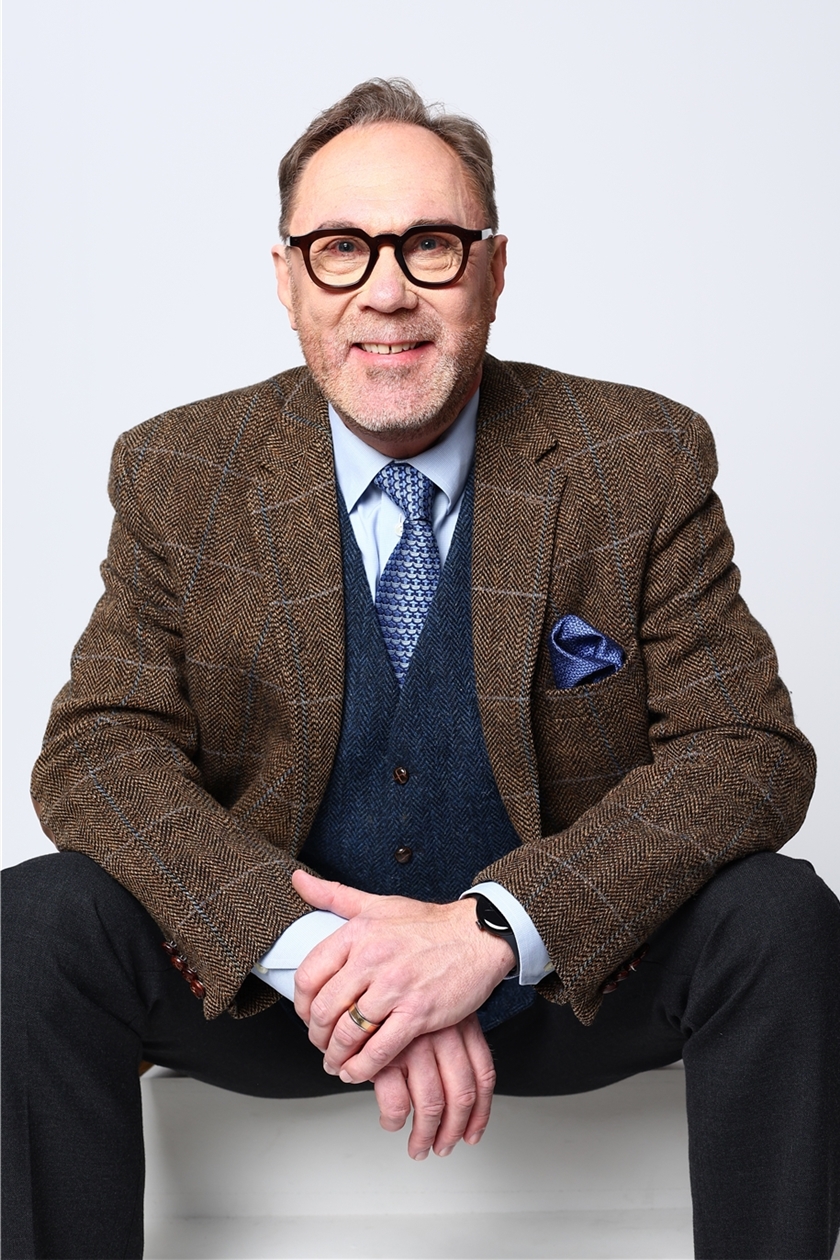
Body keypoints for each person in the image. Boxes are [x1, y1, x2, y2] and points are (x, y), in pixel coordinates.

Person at [2, 77, 838, 1260]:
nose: (386, 291)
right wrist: (320, 959)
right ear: (288, 279)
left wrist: (494, 932)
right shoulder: (182, 470)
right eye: (342, 248)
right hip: (279, 1004)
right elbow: (99, 751)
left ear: (493, 270)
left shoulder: (637, 459)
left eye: (431, 245)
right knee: (35, 922)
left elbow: (745, 751)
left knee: (781, 918)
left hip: (562, 989)